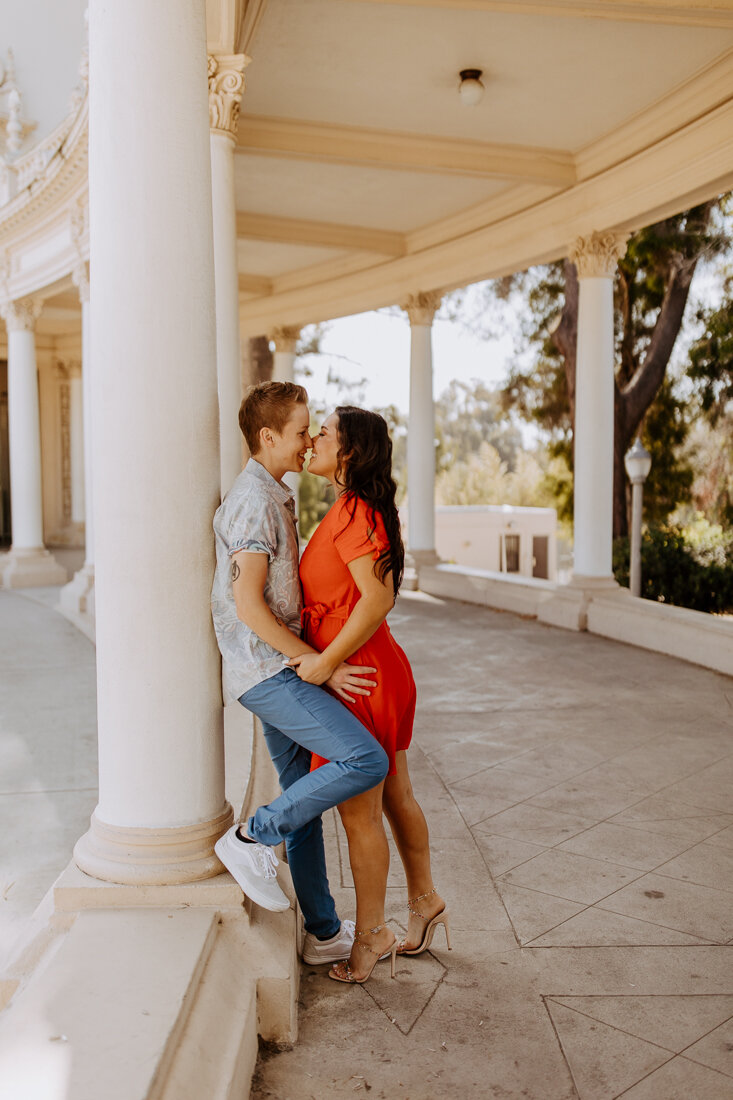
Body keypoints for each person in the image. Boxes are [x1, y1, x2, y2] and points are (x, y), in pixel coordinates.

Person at [211, 382, 388, 969]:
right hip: (269, 670)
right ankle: (252, 836)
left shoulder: (277, 494)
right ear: (269, 437)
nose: (310, 437)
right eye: (301, 429)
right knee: (365, 761)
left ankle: (323, 930)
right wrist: (318, 665)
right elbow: (250, 606)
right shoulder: (253, 500)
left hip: (280, 665)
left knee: (302, 798)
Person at [289, 406, 449, 985]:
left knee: (361, 813)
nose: (312, 441)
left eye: (324, 433)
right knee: (394, 793)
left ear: (350, 452)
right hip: (375, 666)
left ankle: (371, 935)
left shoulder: (355, 510)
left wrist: (325, 663)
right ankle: (425, 899)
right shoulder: (352, 507)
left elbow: (376, 600)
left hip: (359, 673)